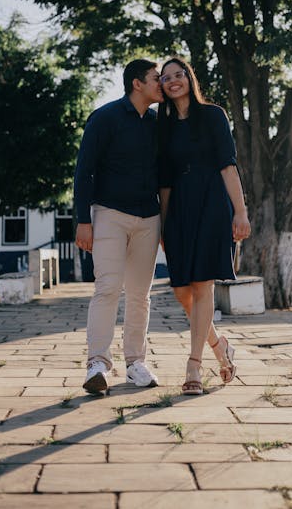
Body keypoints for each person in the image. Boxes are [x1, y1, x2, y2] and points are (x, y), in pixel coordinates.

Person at [158, 58, 251, 395]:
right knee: (182, 291)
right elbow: (164, 182)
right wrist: (164, 227)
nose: (172, 81)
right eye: (166, 78)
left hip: (212, 203)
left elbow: (228, 166)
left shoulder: (213, 115)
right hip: (180, 207)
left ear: (189, 78)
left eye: (178, 75)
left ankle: (193, 366)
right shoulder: (163, 125)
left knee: (202, 284)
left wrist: (240, 212)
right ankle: (219, 346)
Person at [74, 59, 163, 394]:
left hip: (149, 219)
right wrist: (83, 220)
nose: (161, 83)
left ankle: (136, 363)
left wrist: (167, 223)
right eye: (156, 78)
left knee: (140, 295)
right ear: (137, 84)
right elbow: (84, 172)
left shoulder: (158, 123)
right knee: (108, 288)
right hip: (109, 214)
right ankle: (97, 363)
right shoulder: (105, 117)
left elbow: (165, 176)